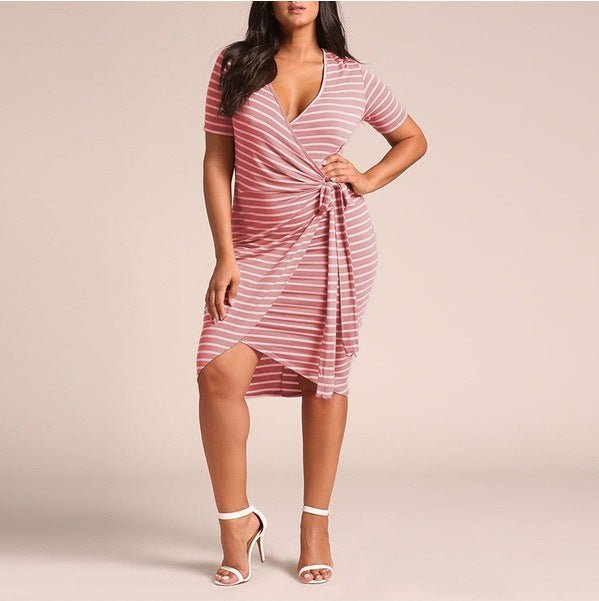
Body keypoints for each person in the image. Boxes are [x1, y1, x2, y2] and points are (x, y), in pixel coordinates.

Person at [196, 0, 427, 587]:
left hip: (333, 244)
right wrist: (225, 255)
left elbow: (411, 138)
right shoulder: (234, 65)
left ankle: (315, 527)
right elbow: (218, 162)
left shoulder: (354, 77)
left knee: (324, 380)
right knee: (218, 371)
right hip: (254, 248)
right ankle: (236, 524)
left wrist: (366, 179)